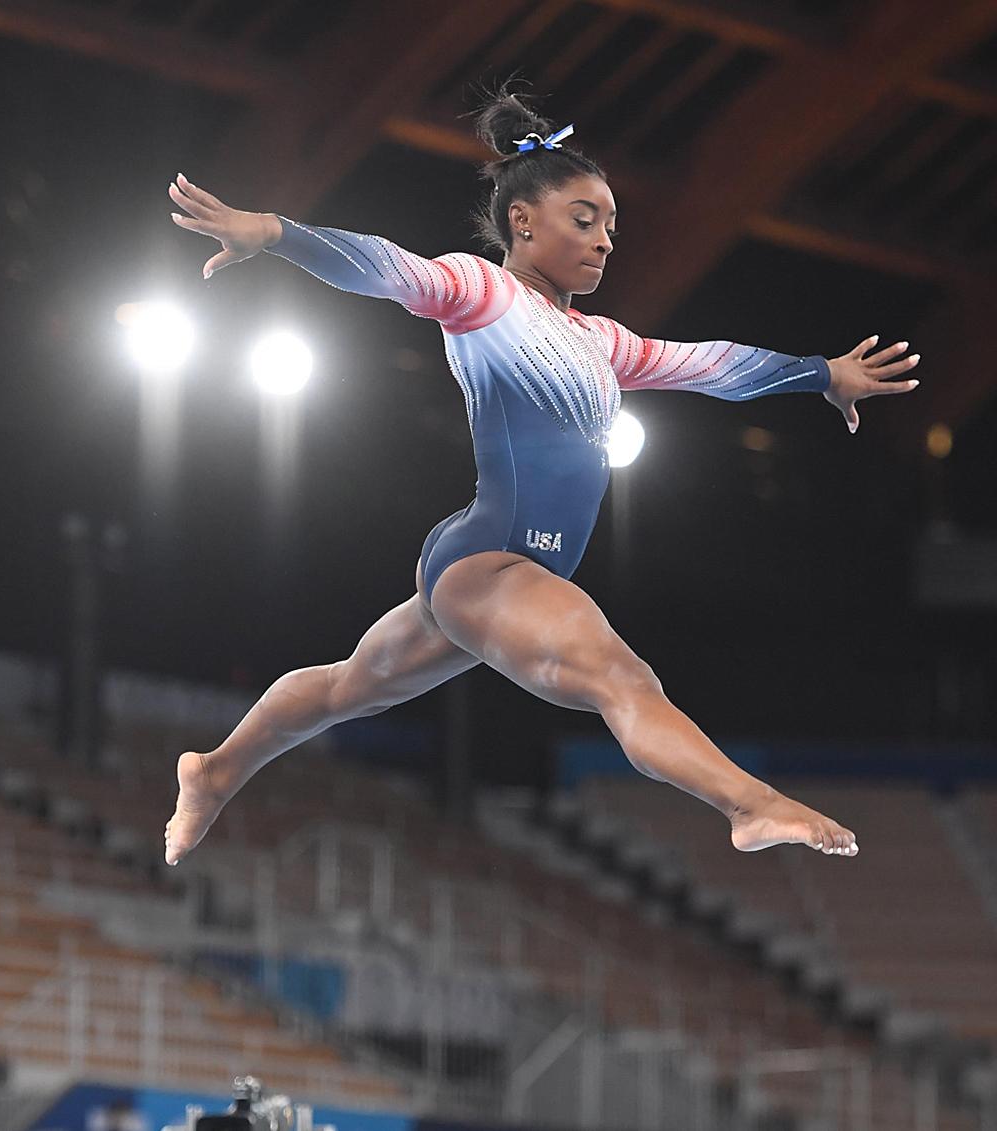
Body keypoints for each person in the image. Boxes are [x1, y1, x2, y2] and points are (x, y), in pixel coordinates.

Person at [161, 85, 920, 867]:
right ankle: (749, 803)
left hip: (495, 568)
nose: (603, 242)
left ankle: (214, 769)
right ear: (522, 221)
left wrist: (821, 373)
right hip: (494, 562)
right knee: (621, 675)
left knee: (346, 687)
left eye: (611, 229)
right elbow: (388, 269)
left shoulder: (602, 342)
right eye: (584, 220)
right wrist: (278, 233)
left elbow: (715, 366)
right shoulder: (482, 293)